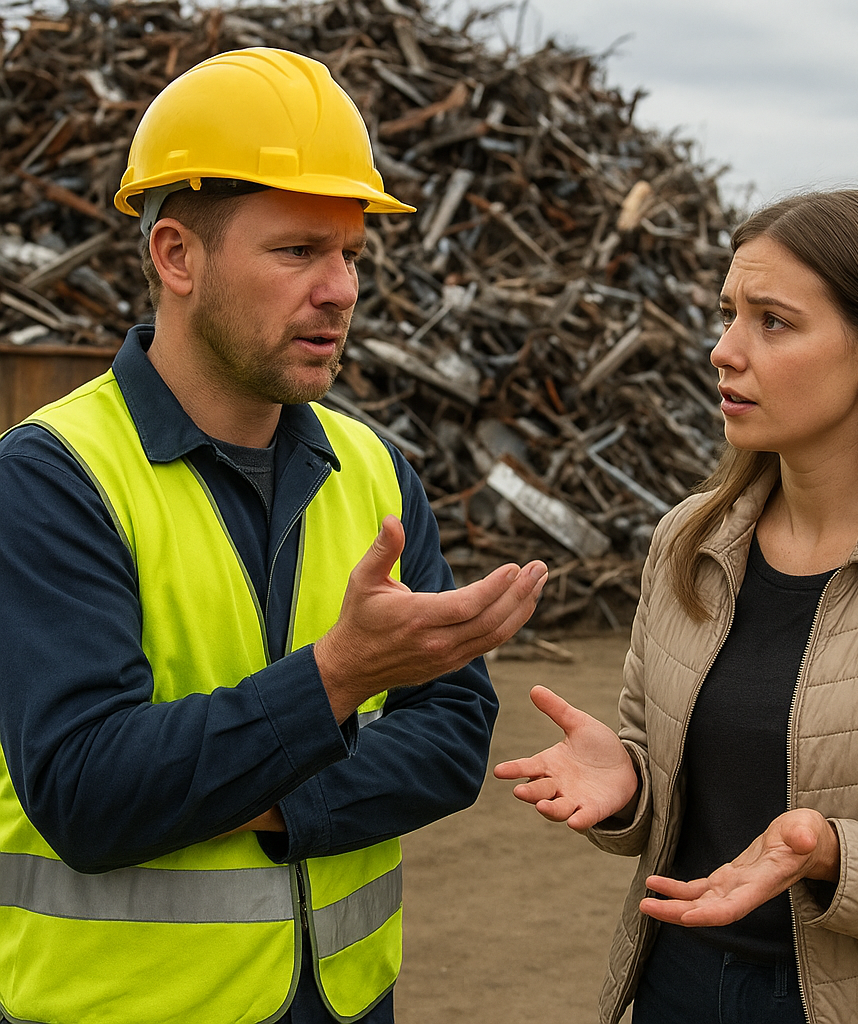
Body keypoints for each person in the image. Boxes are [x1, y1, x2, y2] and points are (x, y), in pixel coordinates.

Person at [0, 47, 547, 1024]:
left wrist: (267, 794)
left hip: (344, 1005)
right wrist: (335, 680)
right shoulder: (53, 478)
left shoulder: (373, 470)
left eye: (350, 255)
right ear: (177, 256)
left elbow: (453, 738)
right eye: (297, 251)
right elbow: (86, 792)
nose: (338, 289)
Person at [495, 189, 858, 1024]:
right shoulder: (690, 544)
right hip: (678, 986)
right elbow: (671, 788)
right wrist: (631, 785)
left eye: (772, 321)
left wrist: (834, 854)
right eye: (728, 314)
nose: (722, 350)